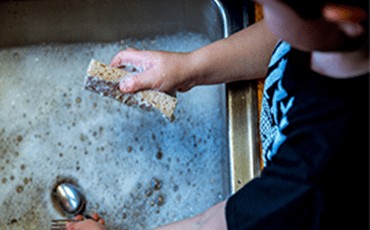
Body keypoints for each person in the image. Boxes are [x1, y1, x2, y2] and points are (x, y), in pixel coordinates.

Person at [66, 0, 369, 229]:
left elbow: (214, 224)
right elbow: (283, 39)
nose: (262, 12)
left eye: (267, 7)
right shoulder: (334, 37)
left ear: (344, 17)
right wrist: (190, 68)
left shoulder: (315, 172)